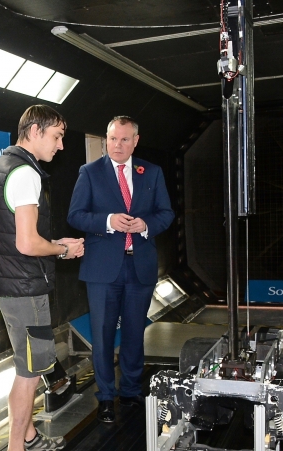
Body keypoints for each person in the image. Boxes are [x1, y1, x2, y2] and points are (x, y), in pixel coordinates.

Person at [0, 104, 84, 451]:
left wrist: (52, 242)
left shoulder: (2, 165)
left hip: (9, 282)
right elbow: (27, 243)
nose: (60, 146)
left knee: (30, 365)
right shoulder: (26, 174)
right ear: (35, 131)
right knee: (29, 372)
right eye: (57, 136)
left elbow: (12, 235)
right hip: (24, 287)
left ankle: (27, 436)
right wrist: (63, 248)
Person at [67, 116, 174, 423]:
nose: (117, 145)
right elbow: (76, 215)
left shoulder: (151, 172)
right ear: (106, 139)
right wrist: (107, 221)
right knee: (101, 336)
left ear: (135, 141)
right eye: (112, 139)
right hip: (102, 270)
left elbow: (166, 213)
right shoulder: (89, 173)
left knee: (133, 334)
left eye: (124, 140)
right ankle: (105, 398)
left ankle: (130, 391)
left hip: (139, 266)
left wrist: (147, 225)